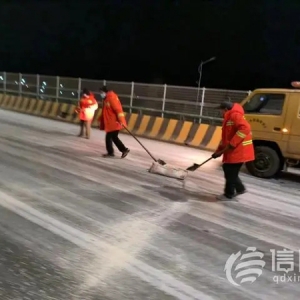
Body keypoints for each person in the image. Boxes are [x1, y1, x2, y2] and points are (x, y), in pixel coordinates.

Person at [212, 102, 254, 201]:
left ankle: (229, 194)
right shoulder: (228, 118)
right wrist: (218, 151)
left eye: (221, 110)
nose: (220, 112)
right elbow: (225, 139)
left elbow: (246, 128)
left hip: (239, 150)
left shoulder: (235, 115)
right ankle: (240, 189)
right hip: (234, 150)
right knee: (229, 170)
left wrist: (233, 143)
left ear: (225, 109)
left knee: (230, 172)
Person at [98, 86, 130, 158]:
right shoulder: (106, 99)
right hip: (111, 123)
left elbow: (118, 110)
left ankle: (111, 152)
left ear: (105, 92)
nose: (100, 94)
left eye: (101, 93)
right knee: (114, 137)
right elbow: (106, 112)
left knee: (109, 137)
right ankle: (124, 150)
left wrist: (121, 120)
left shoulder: (111, 98)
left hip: (115, 122)